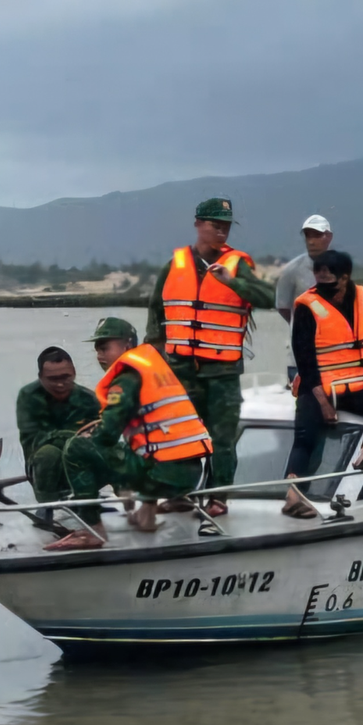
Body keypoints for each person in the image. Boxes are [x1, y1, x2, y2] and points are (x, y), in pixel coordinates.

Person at [144, 197, 276, 515]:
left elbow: (268, 297)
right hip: (181, 367)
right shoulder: (175, 264)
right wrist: (154, 353)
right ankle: (178, 494)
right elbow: (155, 310)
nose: (222, 230)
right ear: (198, 224)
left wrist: (234, 283)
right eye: (215, 224)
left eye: (226, 225)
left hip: (223, 370)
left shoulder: (237, 264)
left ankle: (218, 498)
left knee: (222, 437)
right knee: (179, 433)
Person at [53, 317, 217, 550]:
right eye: (96, 349)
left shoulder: (126, 380)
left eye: (105, 347)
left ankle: (92, 530)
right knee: (141, 447)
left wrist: (91, 436)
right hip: (190, 474)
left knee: (75, 448)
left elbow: (107, 435)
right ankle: (149, 512)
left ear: (127, 345)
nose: (99, 355)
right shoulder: (157, 370)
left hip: (164, 476)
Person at [283, 250, 363, 517]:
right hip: (317, 389)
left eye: (331, 283)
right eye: (320, 281)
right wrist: (324, 404)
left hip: (354, 387)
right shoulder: (306, 306)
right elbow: (305, 361)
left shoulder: (362, 298)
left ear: (345, 278)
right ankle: (293, 496)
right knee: (305, 437)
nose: (325, 289)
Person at [15, 345, 101, 508]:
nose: (61, 384)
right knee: (48, 453)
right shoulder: (29, 397)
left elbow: (99, 438)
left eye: (65, 377)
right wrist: (72, 437)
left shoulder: (88, 399)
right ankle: (48, 508)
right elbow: (35, 439)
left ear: (74, 373)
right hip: (44, 464)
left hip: (81, 459)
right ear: (41, 377)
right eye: (53, 379)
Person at [273, 215, 333, 324]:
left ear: (328, 237)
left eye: (317, 236)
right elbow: (282, 306)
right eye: (308, 236)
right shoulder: (292, 270)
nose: (311, 242)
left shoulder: (339, 268)